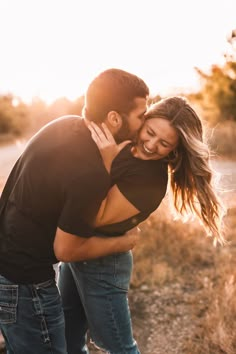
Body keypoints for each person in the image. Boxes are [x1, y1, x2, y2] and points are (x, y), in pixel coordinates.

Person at [59, 96, 226, 354]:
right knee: (68, 333)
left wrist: (106, 159)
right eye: (149, 133)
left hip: (104, 262)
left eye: (164, 144)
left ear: (175, 150)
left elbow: (93, 216)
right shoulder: (126, 142)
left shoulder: (150, 182)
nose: (150, 145)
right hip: (79, 249)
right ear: (143, 120)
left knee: (118, 345)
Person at [0, 68, 150, 354]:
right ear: (114, 118)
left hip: (8, 273)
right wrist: (124, 242)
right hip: (26, 285)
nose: (146, 120)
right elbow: (66, 250)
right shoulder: (89, 172)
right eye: (142, 114)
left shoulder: (64, 124)